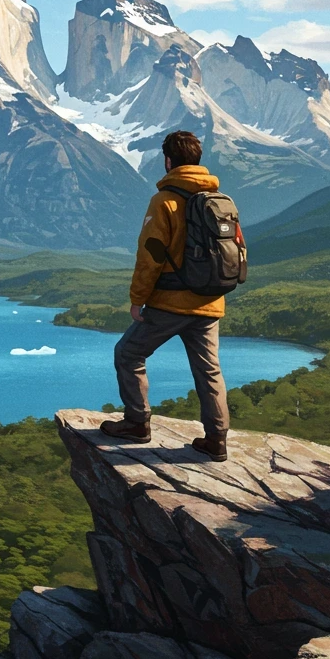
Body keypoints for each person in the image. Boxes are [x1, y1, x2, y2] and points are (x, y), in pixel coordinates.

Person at [100, 130, 233, 461]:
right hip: (210, 302)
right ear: (198, 160)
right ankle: (217, 440)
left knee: (128, 353)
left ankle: (137, 423)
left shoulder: (165, 201)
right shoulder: (220, 200)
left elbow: (150, 256)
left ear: (169, 161)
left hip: (170, 302)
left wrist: (137, 299)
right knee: (209, 371)